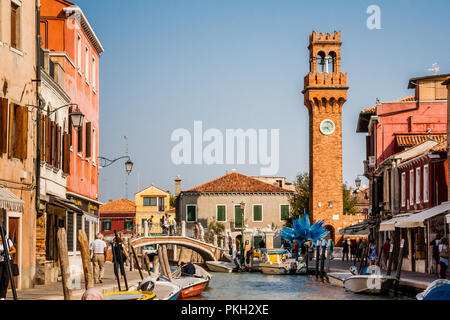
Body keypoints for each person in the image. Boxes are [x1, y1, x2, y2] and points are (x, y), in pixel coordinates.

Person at [0, 235, 16, 300]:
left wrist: (7, 252)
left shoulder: (7, 241)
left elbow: (14, 250)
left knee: (5, 279)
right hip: (0, 262)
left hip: (7, 261)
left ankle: (3, 296)